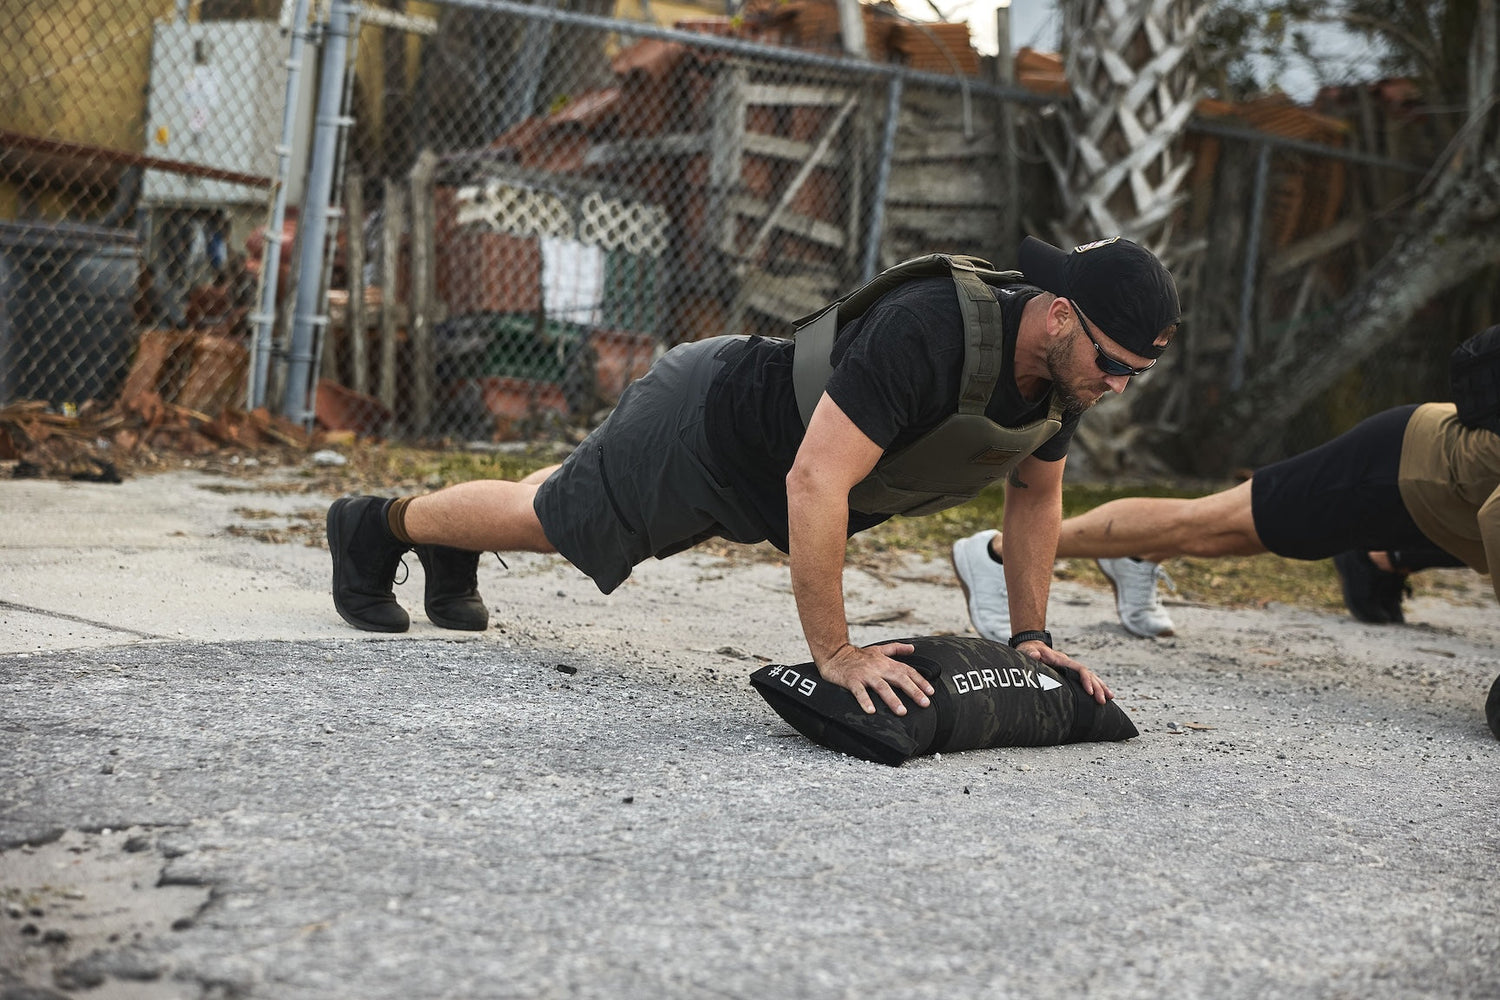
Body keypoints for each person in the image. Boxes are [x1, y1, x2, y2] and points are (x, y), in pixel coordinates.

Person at [327, 236, 1182, 716]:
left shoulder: (1062, 376)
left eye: (1135, 375)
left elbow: (1036, 495)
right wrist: (836, 654)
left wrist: (1029, 636)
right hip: (708, 429)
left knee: (556, 498)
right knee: (550, 521)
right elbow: (817, 482)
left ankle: (446, 544)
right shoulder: (932, 330)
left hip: (754, 471)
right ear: (1060, 316)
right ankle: (375, 525)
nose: (1116, 387)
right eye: (1112, 364)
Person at [952, 339, 1500, 639]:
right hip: (1399, 464)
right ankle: (997, 554)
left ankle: (1135, 556)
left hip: (1431, 485)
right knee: (1210, 526)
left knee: (1227, 536)